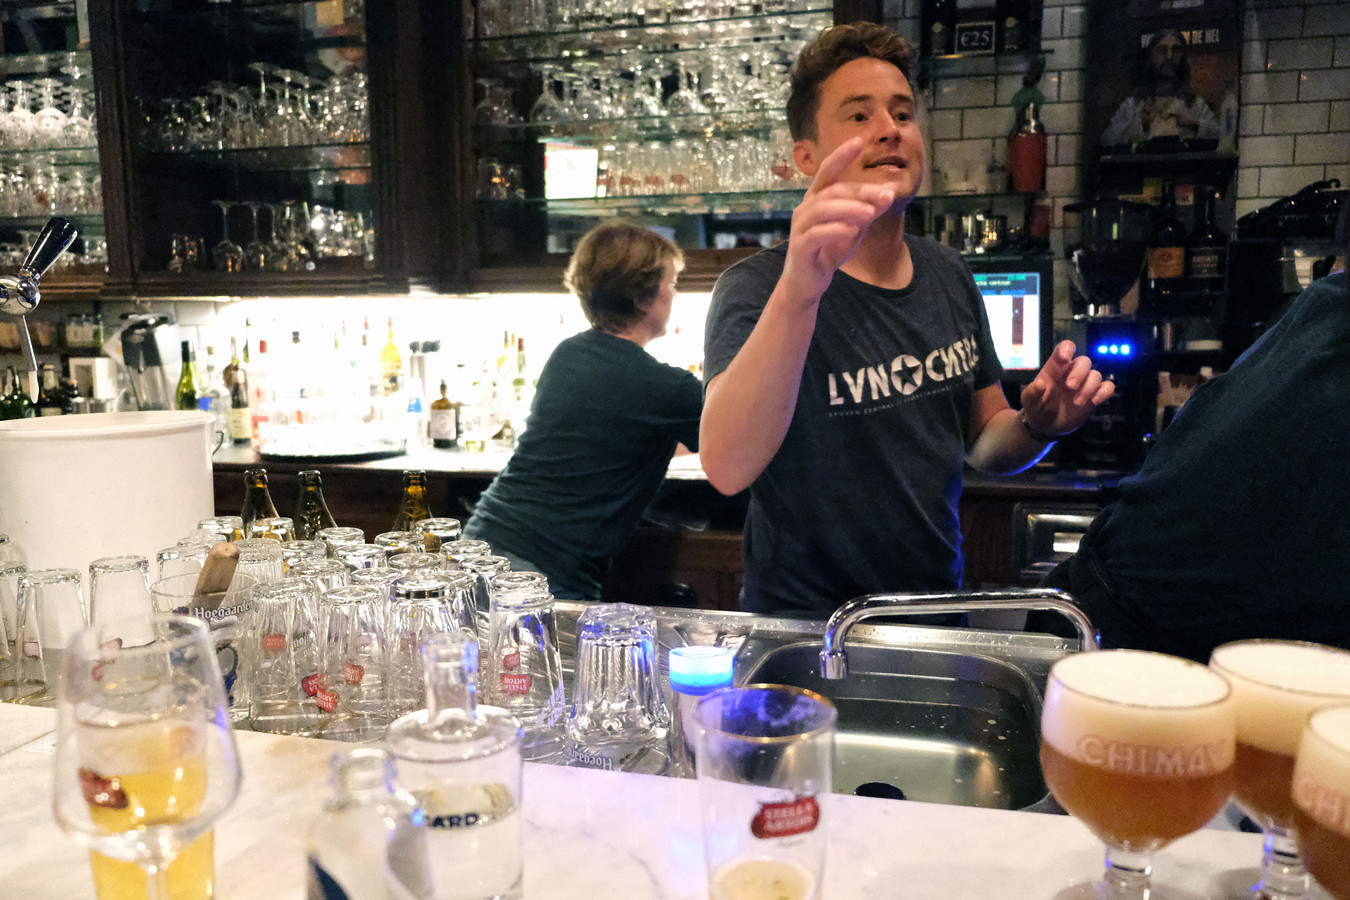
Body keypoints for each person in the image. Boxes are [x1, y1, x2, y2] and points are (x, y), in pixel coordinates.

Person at [700, 23, 1115, 619]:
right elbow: (727, 467)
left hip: (932, 616)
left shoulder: (948, 274)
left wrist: (1039, 424)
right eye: (859, 115)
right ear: (807, 157)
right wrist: (801, 289)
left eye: (902, 112)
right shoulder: (758, 288)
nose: (890, 129)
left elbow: (985, 441)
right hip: (805, 634)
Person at [1035, 202, 1350, 661]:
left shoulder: (1315, 330)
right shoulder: (1327, 328)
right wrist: (1037, 427)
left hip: (1095, 625)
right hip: (1113, 639)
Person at [465, 222, 702, 602]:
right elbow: (734, 447)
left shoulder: (568, 354)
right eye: (672, 283)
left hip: (481, 544)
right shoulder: (667, 387)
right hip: (542, 576)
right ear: (644, 297)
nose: (673, 296)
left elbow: (607, 437)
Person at [1102, 28, 1219, 148]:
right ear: (1151, 56)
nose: (1169, 56)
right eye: (1162, 50)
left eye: (1176, 50)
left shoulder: (1194, 104)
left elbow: (1221, 136)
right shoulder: (1134, 105)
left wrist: (1193, 123)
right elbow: (1107, 140)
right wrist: (1140, 123)